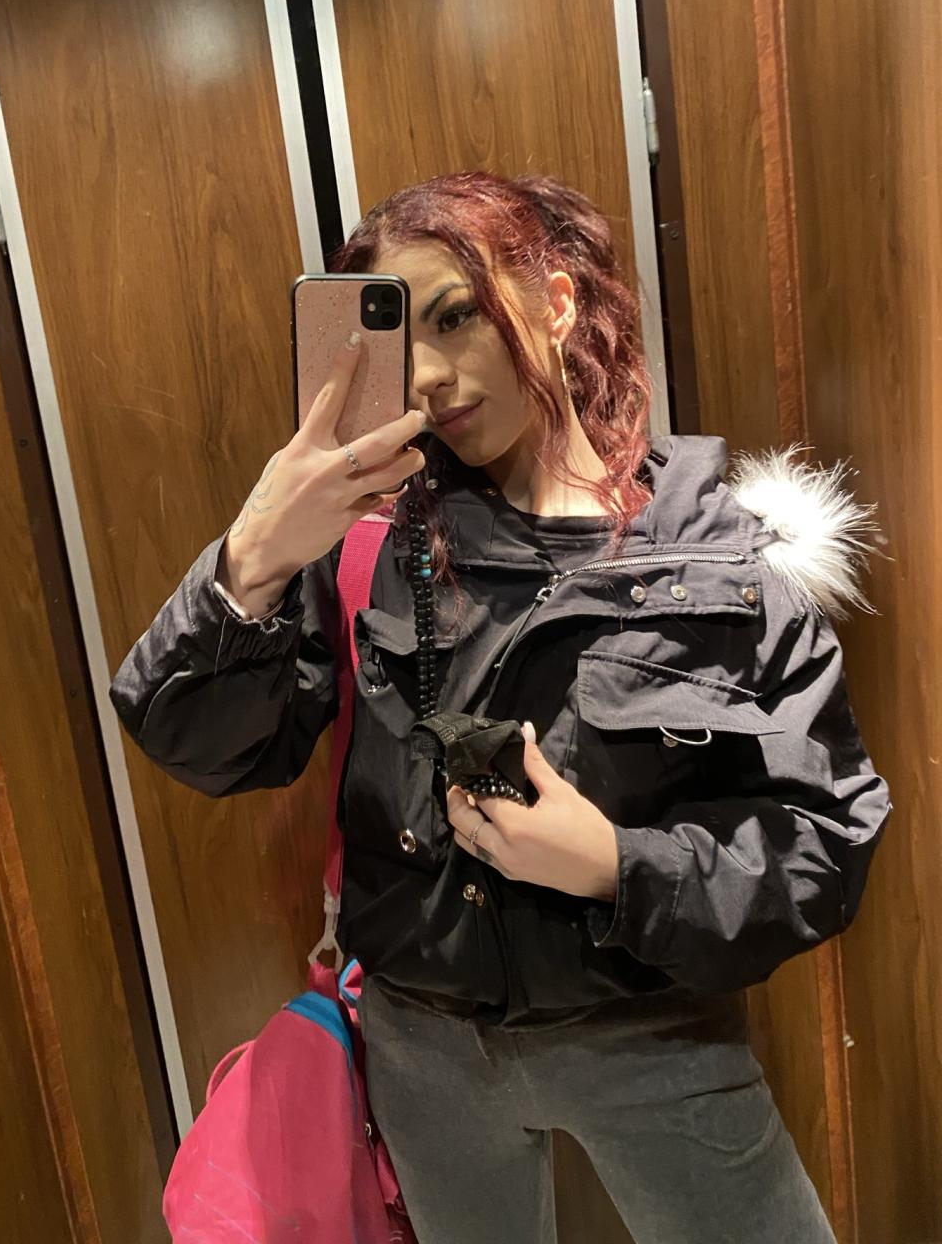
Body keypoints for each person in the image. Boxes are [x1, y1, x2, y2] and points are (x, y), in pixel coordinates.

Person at [109, 171, 892, 1244]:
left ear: (556, 302)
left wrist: (617, 864)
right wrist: (254, 557)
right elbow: (200, 746)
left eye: (457, 317)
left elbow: (826, 840)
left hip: (651, 1034)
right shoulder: (371, 542)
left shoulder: (716, 558)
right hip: (424, 1046)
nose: (429, 377)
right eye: (400, 344)